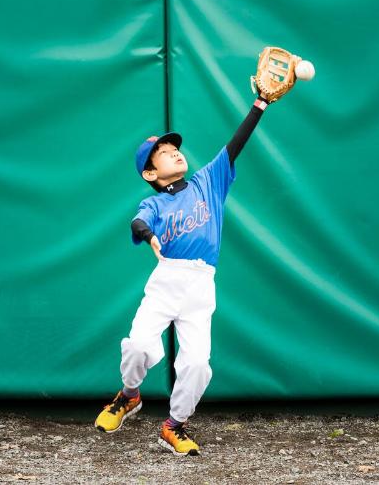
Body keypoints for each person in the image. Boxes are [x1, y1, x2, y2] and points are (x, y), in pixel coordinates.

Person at [94, 93, 270, 456]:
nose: (174, 151)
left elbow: (235, 145)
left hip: (201, 285)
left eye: (175, 147)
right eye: (163, 152)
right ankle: (128, 397)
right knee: (139, 346)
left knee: (197, 364)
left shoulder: (209, 181)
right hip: (165, 282)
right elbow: (139, 220)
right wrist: (147, 233)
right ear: (150, 173)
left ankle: (174, 426)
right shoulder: (155, 203)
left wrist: (260, 105)